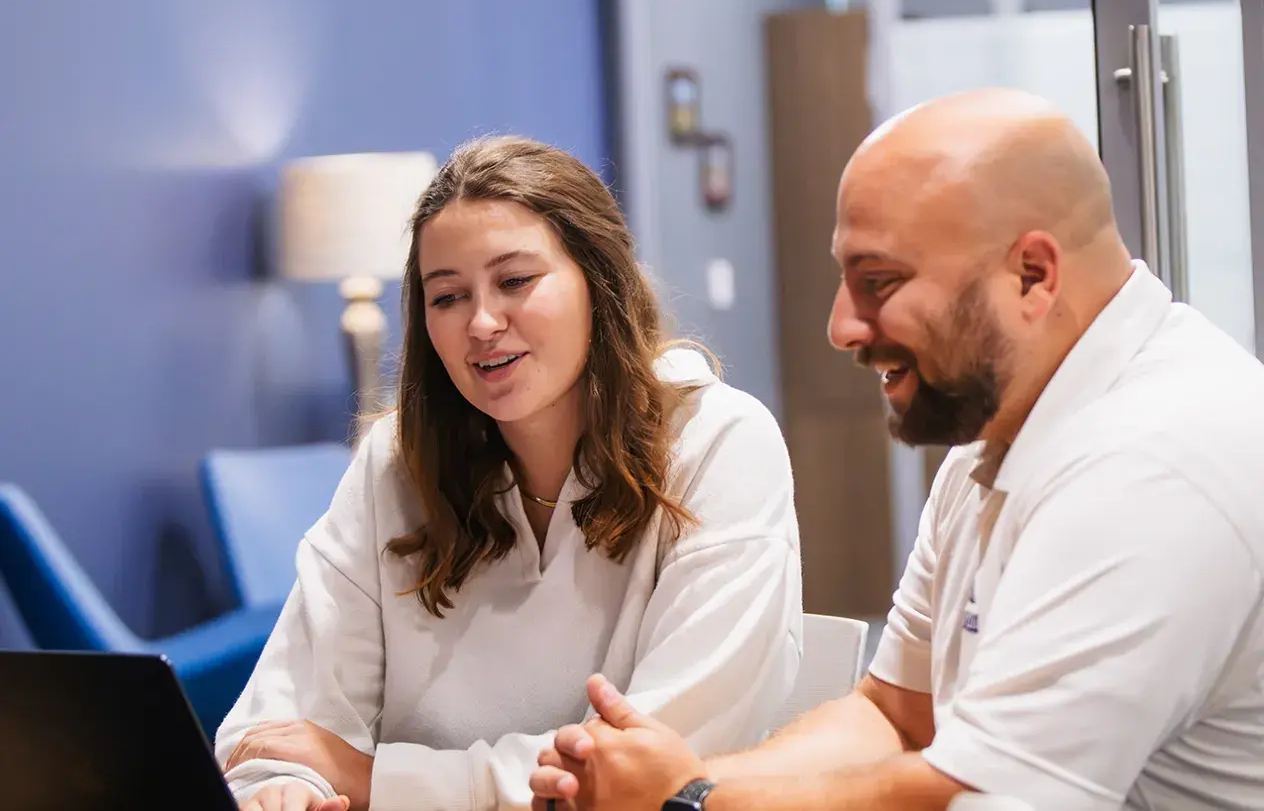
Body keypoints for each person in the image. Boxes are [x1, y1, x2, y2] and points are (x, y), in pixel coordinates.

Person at [529, 88, 1264, 811]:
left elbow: (983, 795)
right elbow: (897, 715)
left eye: (878, 282)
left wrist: (688, 799)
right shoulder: (998, 443)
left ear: (1032, 276)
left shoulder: (1150, 465)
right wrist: (678, 786)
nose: (842, 326)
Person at [215, 136, 803, 811]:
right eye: (447, 296)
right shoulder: (397, 460)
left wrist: (381, 782)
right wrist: (292, 789)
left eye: (516, 282)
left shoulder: (720, 443)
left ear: (599, 281)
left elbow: (643, 771)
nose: (483, 322)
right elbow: (279, 726)